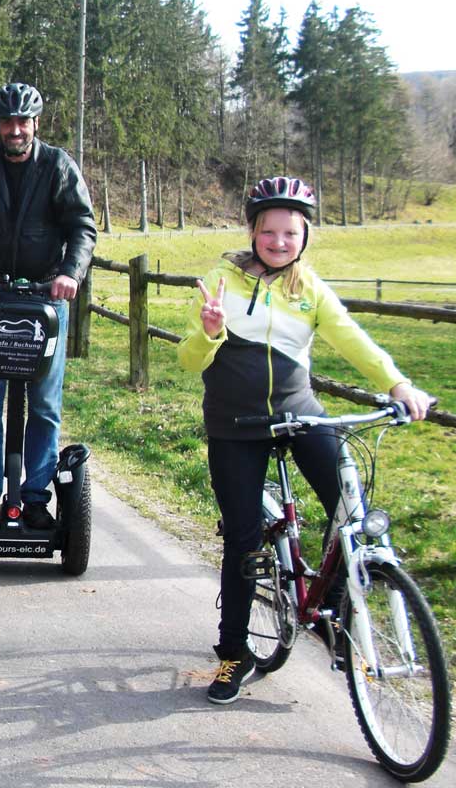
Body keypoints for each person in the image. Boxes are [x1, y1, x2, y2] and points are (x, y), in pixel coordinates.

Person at [179, 176, 434, 705]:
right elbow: (188, 362)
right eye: (268, 231)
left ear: (305, 236)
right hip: (235, 425)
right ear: (252, 232)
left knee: (353, 514)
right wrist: (208, 330)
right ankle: (234, 653)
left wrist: (397, 383)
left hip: (302, 415)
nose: (278, 241)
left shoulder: (309, 288)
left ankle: (334, 609)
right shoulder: (222, 282)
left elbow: (350, 337)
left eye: (290, 233)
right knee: (245, 540)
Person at [0, 82, 96, 530]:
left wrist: (71, 273)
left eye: (23, 122)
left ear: (35, 124)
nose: (15, 130)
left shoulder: (57, 166)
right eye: (8, 122)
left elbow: (82, 226)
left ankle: (35, 496)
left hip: (47, 298)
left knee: (45, 404)